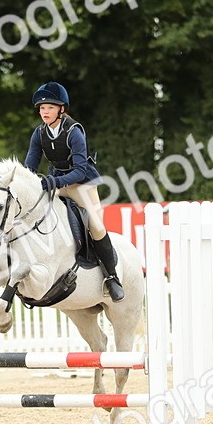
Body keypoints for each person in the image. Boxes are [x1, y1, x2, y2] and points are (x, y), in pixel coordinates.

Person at [24, 81, 124, 302]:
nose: (44, 112)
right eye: (41, 108)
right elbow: (30, 167)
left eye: (49, 107)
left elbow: (79, 171)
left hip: (82, 185)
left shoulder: (74, 132)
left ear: (61, 109)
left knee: (96, 227)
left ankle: (112, 278)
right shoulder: (39, 134)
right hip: (57, 185)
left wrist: (55, 182)